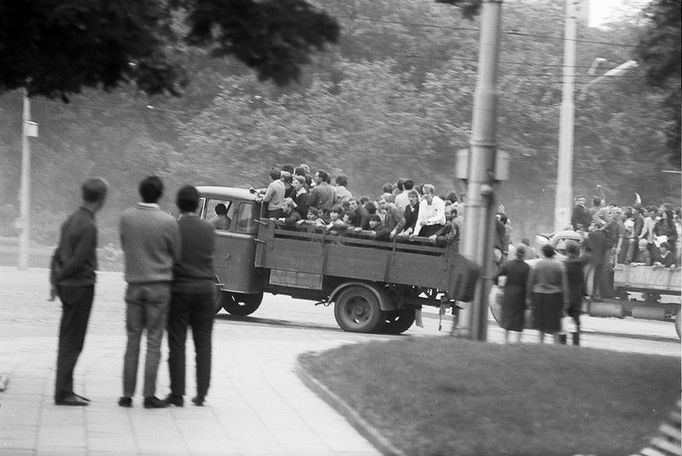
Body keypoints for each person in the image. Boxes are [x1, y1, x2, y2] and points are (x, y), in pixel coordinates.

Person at [119, 175, 181, 409]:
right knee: (154, 341)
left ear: (140, 191)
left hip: (134, 286)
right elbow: (176, 254)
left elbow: (126, 246)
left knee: (132, 340)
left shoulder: (126, 218)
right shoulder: (167, 221)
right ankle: (149, 395)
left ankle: (126, 394)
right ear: (160, 194)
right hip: (159, 288)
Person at [50, 178, 108, 406]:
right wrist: (60, 276)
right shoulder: (89, 225)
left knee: (67, 339)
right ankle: (63, 392)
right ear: (101, 199)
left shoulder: (70, 220)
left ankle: (65, 388)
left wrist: (55, 279)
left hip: (67, 289)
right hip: (80, 286)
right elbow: (79, 261)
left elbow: (57, 254)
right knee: (73, 342)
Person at [165, 185, 216, 407]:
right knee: (203, 344)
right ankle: (201, 394)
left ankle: (177, 394)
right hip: (206, 289)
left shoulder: (173, 227)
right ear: (197, 204)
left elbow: (169, 258)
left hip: (180, 289)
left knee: (177, 342)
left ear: (178, 204)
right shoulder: (209, 228)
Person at [526, 244, 569, 344]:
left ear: (544, 253)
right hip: (555, 295)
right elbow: (564, 284)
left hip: (539, 295)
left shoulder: (537, 265)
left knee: (541, 322)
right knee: (554, 322)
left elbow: (530, 282)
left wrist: (528, 297)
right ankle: (555, 343)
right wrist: (566, 300)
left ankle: (541, 342)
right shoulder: (559, 265)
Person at [492, 244, 530, 344]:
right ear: (524, 255)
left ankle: (506, 340)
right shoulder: (527, 267)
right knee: (519, 318)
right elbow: (529, 283)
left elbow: (495, 276)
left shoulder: (509, 265)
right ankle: (518, 340)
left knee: (508, 315)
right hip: (522, 295)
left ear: (515, 253)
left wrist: (499, 285)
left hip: (508, 293)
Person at [564, 241, 585, 346]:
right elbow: (582, 281)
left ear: (567, 251)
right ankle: (576, 344)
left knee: (563, 321)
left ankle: (562, 343)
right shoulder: (579, 265)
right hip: (576, 297)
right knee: (576, 321)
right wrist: (583, 293)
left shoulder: (564, 264)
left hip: (565, 297)